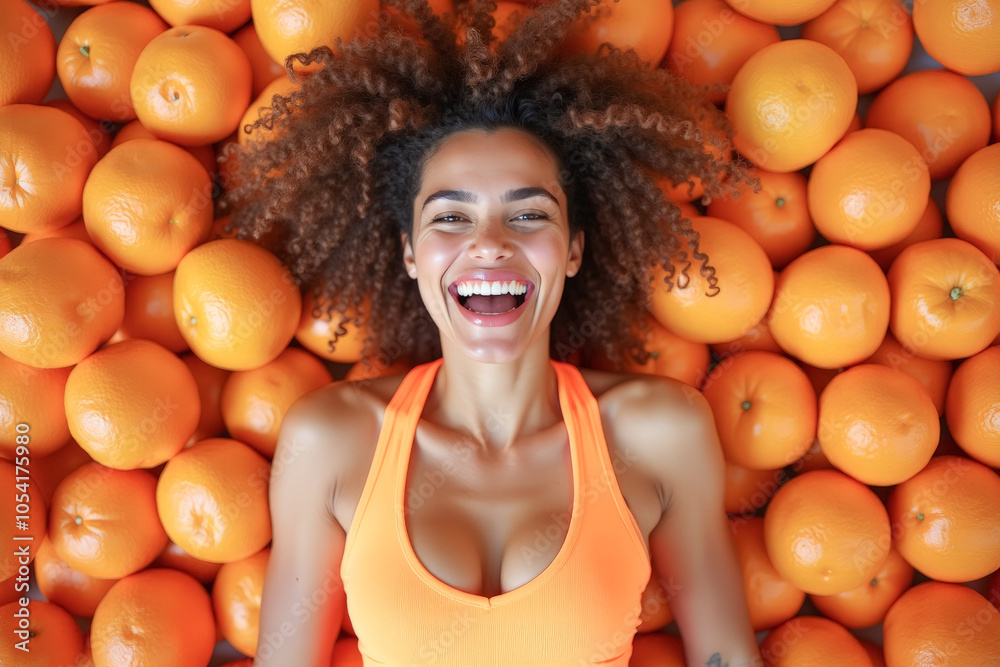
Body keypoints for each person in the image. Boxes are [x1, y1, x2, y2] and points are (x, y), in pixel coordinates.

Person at [223, 0, 763, 665]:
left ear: (572, 249)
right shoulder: (328, 442)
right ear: (410, 253)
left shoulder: (660, 431)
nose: (488, 245)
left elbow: (727, 658)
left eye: (528, 214)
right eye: (451, 218)